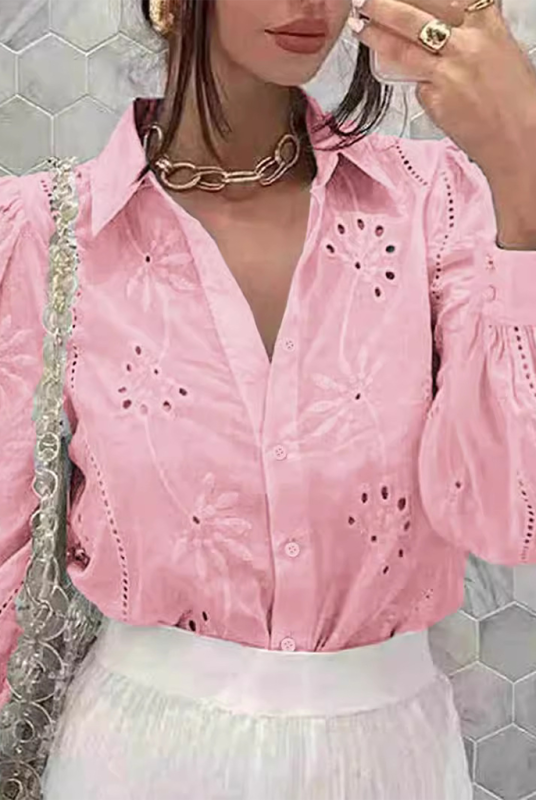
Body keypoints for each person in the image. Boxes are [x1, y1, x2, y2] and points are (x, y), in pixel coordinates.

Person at [1, 0, 536, 797]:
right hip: (139, 760)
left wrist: (523, 169)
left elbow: (511, 516)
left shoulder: (440, 203)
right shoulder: (45, 232)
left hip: (392, 765)